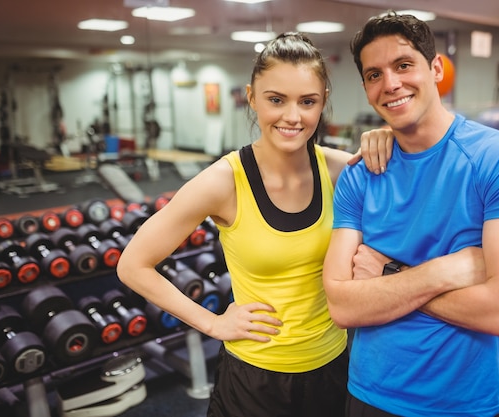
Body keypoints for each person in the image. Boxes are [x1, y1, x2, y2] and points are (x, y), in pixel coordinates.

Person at [117, 32, 394, 417]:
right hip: (254, 378)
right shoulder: (224, 181)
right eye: (276, 100)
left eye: (308, 101)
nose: (293, 117)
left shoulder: (339, 170)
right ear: (251, 97)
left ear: (323, 103)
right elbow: (132, 264)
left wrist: (388, 138)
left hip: (333, 367)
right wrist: (212, 324)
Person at [322, 11, 499, 417]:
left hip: (460, 403)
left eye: (404, 65)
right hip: (368, 394)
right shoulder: (361, 174)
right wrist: (445, 272)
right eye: (374, 74)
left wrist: (388, 275)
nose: (390, 83)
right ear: (365, 87)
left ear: (436, 68)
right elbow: (343, 307)